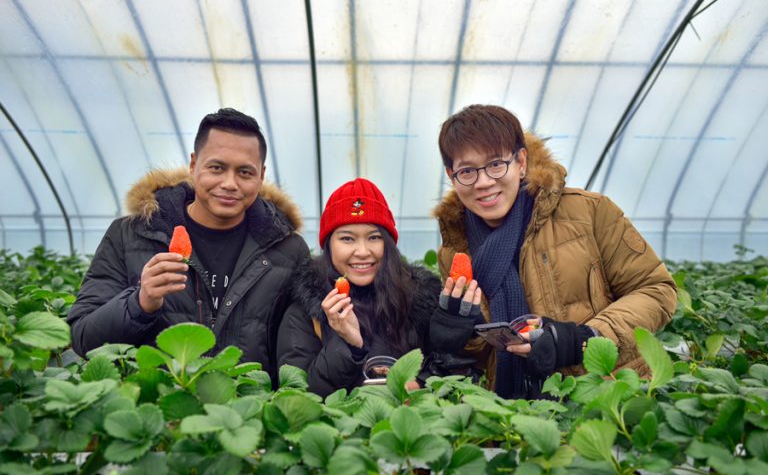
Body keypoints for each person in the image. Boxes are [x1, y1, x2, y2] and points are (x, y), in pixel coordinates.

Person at [431, 104, 677, 399]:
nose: (483, 182)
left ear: (521, 161)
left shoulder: (590, 213)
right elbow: (484, 358)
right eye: (467, 171)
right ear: (451, 175)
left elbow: (656, 290)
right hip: (510, 413)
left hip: (602, 395)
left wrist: (586, 339)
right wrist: (460, 334)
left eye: (496, 164)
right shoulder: (455, 251)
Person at [68, 108, 310, 379]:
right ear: (194, 165)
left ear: (261, 175)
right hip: (156, 411)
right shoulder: (130, 236)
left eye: (245, 172)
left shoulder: (289, 250)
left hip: (248, 414)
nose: (229, 183)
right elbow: (83, 338)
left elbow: (300, 351)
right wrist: (140, 302)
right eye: (217, 168)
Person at [277, 178, 482, 397]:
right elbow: (300, 396)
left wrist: (448, 346)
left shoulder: (419, 299)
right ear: (329, 245)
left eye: (374, 237)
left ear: (388, 243)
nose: (363, 251)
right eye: (347, 239)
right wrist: (348, 345)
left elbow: (461, 379)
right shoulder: (306, 313)